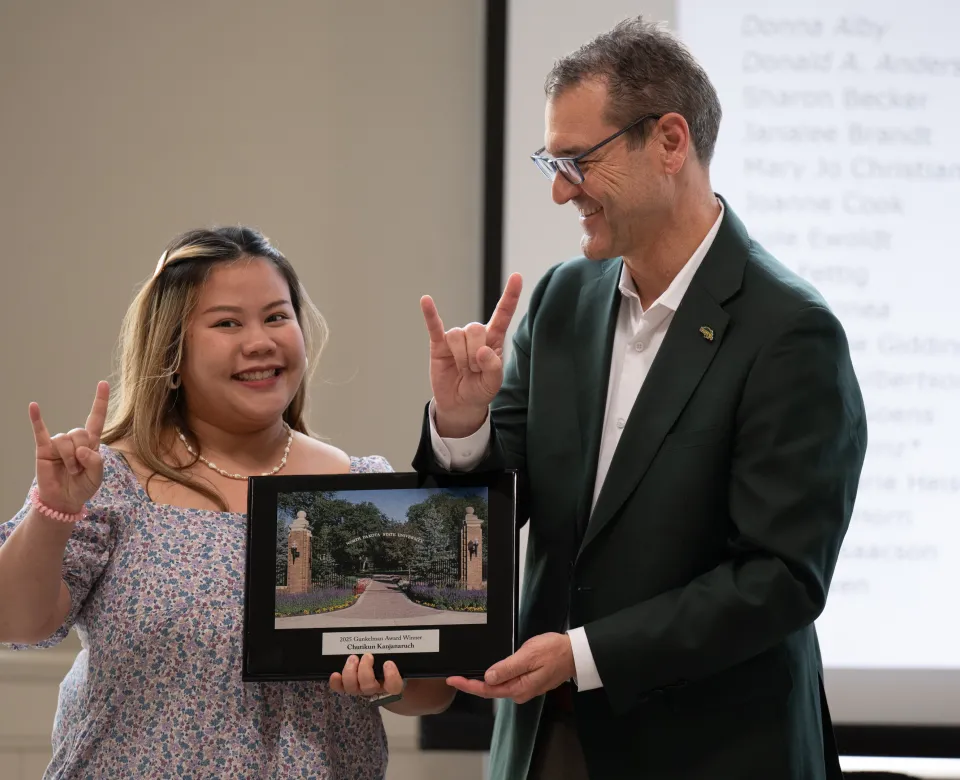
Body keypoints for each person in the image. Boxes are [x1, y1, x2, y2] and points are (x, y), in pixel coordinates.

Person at [413, 16, 867, 780]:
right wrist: (463, 421)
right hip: (545, 742)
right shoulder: (563, 299)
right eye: (548, 163)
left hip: (713, 751)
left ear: (669, 141)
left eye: (577, 161)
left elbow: (780, 578)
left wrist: (584, 655)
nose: (560, 192)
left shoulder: (790, 330)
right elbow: (500, 502)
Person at [0, 226, 454, 779]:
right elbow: (16, 622)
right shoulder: (114, 478)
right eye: (227, 323)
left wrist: (389, 687)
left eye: (276, 316)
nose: (260, 341)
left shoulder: (355, 486)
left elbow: (431, 692)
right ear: (172, 347)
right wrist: (53, 509)